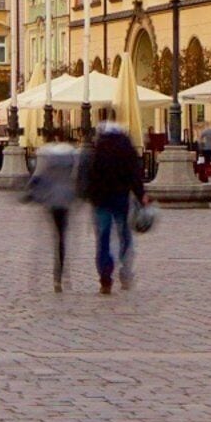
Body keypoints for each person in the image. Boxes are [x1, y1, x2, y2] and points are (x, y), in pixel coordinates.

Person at [82, 117, 146, 295]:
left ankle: (105, 275)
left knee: (103, 238)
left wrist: (88, 195)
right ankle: (125, 271)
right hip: (121, 198)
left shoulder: (97, 150)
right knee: (124, 234)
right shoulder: (126, 149)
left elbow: (89, 175)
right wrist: (141, 196)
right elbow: (135, 174)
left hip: (101, 200)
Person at [22, 128, 83, 291]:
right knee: (62, 237)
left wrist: (29, 192)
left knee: (44, 236)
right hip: (66, 198)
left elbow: (37, 175)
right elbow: (76, 176)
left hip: (49, 198)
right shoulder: (72, 153)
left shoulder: (45, 153)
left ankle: (38, 276)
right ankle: (60, 274)